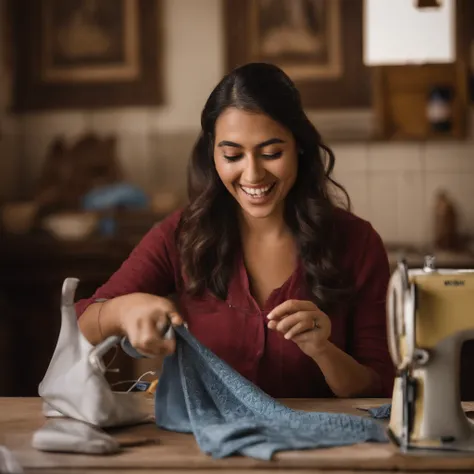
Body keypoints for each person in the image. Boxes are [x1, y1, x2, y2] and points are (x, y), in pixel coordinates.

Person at [77, 62, 395, 399]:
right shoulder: (181, 235)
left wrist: (323, 350)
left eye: (271, 153)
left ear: (299, 146)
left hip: (321, 448)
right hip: (204, 448)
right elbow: (81, 323)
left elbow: (379, 388)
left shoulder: (357, 242)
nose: (253, 174)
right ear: (212, 153)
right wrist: (120, 312)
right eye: (232, 155)